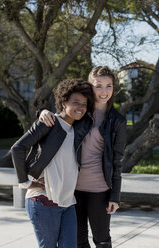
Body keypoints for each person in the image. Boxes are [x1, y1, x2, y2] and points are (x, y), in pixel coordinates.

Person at [39, 66, 126, 248]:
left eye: (108, 86)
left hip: (100, 190)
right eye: (98, 85)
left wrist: (115, 196)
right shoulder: (80, 112)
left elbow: (117, 161)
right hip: (73, 189)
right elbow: (58, 119)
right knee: (78, 240)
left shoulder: (116, 120)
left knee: (102, 240)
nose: (104, 91)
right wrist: (42, 113)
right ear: (90, 86)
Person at [11, 78, 94, 248]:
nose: (80, 108)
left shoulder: (78, 128)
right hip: (43, 200)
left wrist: (41, 110)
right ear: (64, 103)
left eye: (84, 104)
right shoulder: (49, 123)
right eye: (75, 102)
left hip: (68, 202)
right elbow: (17, 148)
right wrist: (24, 182)